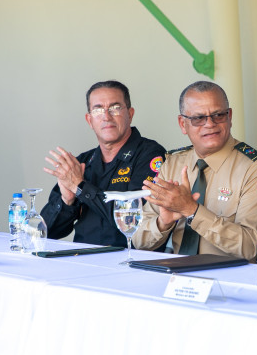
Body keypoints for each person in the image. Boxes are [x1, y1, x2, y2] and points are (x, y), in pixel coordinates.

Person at [133, 81, 257, 260]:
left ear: (229, 116)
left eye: (218, 115)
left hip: (228, 273)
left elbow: (252, 247)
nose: (210, 124)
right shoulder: (173, 164)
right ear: (182, 124)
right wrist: (163, 223)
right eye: (198, 118)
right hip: (177, 271)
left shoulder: (254, 168)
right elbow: (137, 240)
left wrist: (193, 211)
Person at [41, 80, 166, 247]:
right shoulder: (82, 163)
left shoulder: (151, 155)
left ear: (130, 114)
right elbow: (45, 232)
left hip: (131, 258)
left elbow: (132, 220)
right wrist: (67, 201)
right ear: (89, 120)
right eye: (98, 110)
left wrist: (80, 187)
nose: (106, 116)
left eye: (115, 108)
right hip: (83, 258)